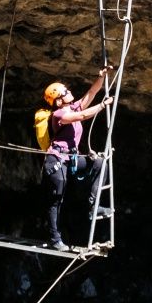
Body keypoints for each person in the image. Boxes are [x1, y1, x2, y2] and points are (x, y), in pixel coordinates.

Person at [36, 68, 109, 249]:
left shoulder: (72, 107)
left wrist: (101, 77)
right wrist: (102, 106)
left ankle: (94, 205)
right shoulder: (59, 114)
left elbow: (91, 94)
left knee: (100, 163)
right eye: (65, 92)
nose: (69, 93)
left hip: (70, 158)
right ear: (58, 100)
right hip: (56, 160)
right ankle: (55, 239)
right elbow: (83, 115)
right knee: (56, 200)